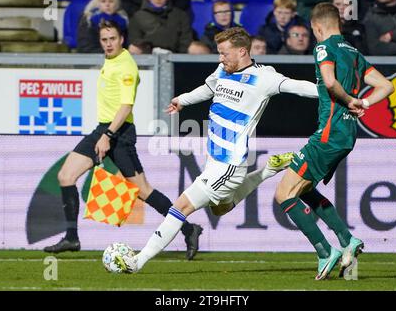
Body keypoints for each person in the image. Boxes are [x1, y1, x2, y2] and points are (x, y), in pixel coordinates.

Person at [120, 27, 321, 274]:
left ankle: (137, 262)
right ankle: (268, 170)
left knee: (180, 207)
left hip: (229, 165)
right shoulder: (224, 70)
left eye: (224, 53)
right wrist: (183, 100)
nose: (220, 58)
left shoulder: (264, 78)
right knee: (221, 208)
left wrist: (334, 94)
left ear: (242, 51)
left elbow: (298, 86)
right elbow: (209, 88)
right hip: (214, 161)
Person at [44, 20, 203, 260]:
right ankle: (71, 237)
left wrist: (108, 136)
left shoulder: (126, 66)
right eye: (104, 39)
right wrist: (104, 132)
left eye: (112, 39)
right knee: (66, 176)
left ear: (121, 40)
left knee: (143, 191)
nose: (108, 44)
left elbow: (126, 105)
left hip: (119, 133)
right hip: (103, 128)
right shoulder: (112, 61)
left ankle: (189, 229)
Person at [275, 3, 394, 280]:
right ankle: (347, 239)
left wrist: (352, 100)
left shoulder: (323, 48)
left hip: (329, 133)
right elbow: (386, 86)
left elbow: (329, 82)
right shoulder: (353, 52)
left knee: (284, 193)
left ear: (317, 27)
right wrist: (364, 102)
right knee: (304, 189)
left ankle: (325, 252)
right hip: (346, 134)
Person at [128, 0, 193, 53]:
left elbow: (186, 39)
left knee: (195, 48)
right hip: (148, 55)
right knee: (133, 48)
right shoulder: (138, 16)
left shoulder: (180, 15)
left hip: (175, 55)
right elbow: (135, 39)